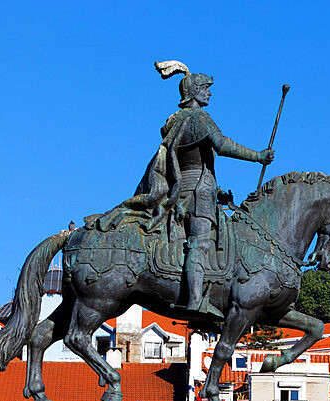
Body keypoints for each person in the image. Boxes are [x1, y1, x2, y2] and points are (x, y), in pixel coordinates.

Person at [91, 60, 273, 318]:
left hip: (185, 190)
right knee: (199, 244)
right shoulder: (199, 118)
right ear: (195, 91)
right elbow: (222, 146)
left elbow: (194, 163)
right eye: (206, 88)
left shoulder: (176, 122)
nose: (209, 93)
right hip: (198, 195)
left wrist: (218, 192)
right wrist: (258, 156)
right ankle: (196, 299)